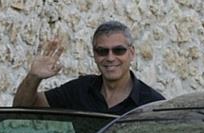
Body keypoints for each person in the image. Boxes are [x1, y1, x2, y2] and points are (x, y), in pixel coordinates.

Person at [13, 20, 165, 115]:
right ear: (94, 54)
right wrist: (34, 77)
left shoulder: (153, 104)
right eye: (102, 51)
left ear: (131, 53)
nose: (110, 58)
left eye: (118, 50)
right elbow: (22, 107)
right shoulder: (79, 90)